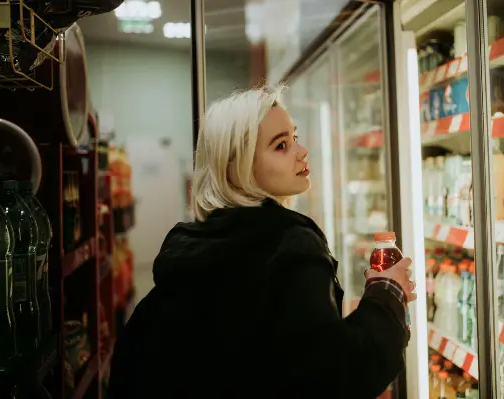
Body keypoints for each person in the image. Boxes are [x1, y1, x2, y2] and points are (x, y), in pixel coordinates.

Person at [108, 86, 417, 398]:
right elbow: (335, 376)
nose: (301, 151)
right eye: (281, 145)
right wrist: (387, 292)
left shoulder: (189, 246)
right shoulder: (290, 246)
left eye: (294, 137)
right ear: (236, 166)